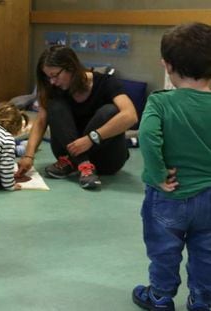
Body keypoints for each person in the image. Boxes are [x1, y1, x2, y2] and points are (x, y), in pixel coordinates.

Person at [132, 22, 211, 311]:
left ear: (167, 65)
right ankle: (202, 300)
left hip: (169, 195)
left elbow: (148, 137)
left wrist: (157, 174)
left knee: (164, 249)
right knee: (207, 252)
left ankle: (160, 296)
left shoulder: (160, 102)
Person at [15, 45, 138, 190]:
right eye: (48, 77)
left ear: (71, 67)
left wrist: (91, 138)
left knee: (110, 110)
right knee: (54, 106)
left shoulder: (106, 83)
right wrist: (28, 155)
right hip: (68, 153)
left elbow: (130, 115)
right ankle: (83, 164)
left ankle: (79, 163)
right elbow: (41, 121)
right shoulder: (53, 89)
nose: (52, 81)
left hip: (106, 157)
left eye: (55, 75)